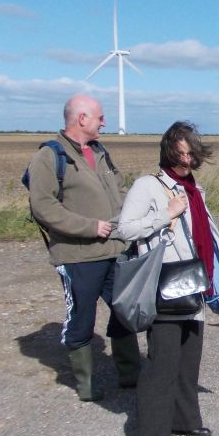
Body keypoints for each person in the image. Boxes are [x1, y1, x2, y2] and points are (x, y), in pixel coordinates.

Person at [116, 121, 219, 436]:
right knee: (162, 364)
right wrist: (166, 214)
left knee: (189, 360)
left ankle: (183, 420)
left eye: (191, 154)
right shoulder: (148, 186)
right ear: (168, 152)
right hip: (165, 286)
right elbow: (125, 230)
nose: (186, 160)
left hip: (193, 283)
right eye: (180, 154)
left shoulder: (193, 189)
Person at [26, 94, 140, 401]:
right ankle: (86, 386)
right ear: (82, 119)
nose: (105, 122)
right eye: (100, 117)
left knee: (125, 311)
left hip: (115, 249)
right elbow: (43, 207)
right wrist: (90, 227)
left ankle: (132, 374)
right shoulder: (49, 156)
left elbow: (119, 191)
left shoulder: (101, 151)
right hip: (78, 255)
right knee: (82, 318)